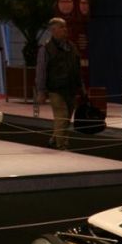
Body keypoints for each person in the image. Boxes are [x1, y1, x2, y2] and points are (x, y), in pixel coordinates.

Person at [35, 17, 82, 150]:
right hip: (56, 89)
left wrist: (81, 87)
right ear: (53, 30)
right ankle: (61, 145)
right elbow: (41, 71)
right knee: (62, 116)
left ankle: (54, 139)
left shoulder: (72, 47)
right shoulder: (46, 49)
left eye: (65, 27)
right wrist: (41, 91)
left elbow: (77, 68)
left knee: (67, 118)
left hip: (71, 88)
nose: (65, 30)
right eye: (61, 27)